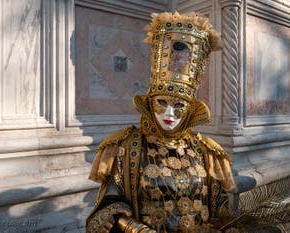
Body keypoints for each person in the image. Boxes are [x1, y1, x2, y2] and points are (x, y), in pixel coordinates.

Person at [86, 11, 237, 233]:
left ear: (190, 110)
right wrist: (135, 229)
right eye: (162, 103)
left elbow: (216, 204)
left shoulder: (205, 151)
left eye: (178, 107)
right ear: (149, 102)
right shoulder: (125, 147)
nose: (169, 113)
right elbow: (111, 206)